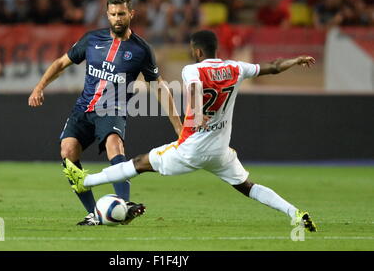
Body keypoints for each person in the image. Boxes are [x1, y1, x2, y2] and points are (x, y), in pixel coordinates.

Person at [65, 30, 318, 232]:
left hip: (192, 148)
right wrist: (294, 61)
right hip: (220, 151)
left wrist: (197, 113)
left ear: (197, 51)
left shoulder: (192, 70)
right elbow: (272, 66)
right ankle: (293, 212)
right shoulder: (236, 68)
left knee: (140, 163)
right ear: (215, 49)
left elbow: (195, 90)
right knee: (247, 186)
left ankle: (85, 180)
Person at [28, 0, 182, 226]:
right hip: (83, 109)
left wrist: (179, 127)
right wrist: (39, 86)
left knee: (114, 143)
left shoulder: (141, 50)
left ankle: (124, 205)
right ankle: (94, 213)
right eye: (113, 14)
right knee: (67, 152)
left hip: (112, 109)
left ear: (131, 14)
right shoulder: (92, 40)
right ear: (107, 15)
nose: (117, 18)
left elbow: (160, 88)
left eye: (122, 14)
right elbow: (61, 63)